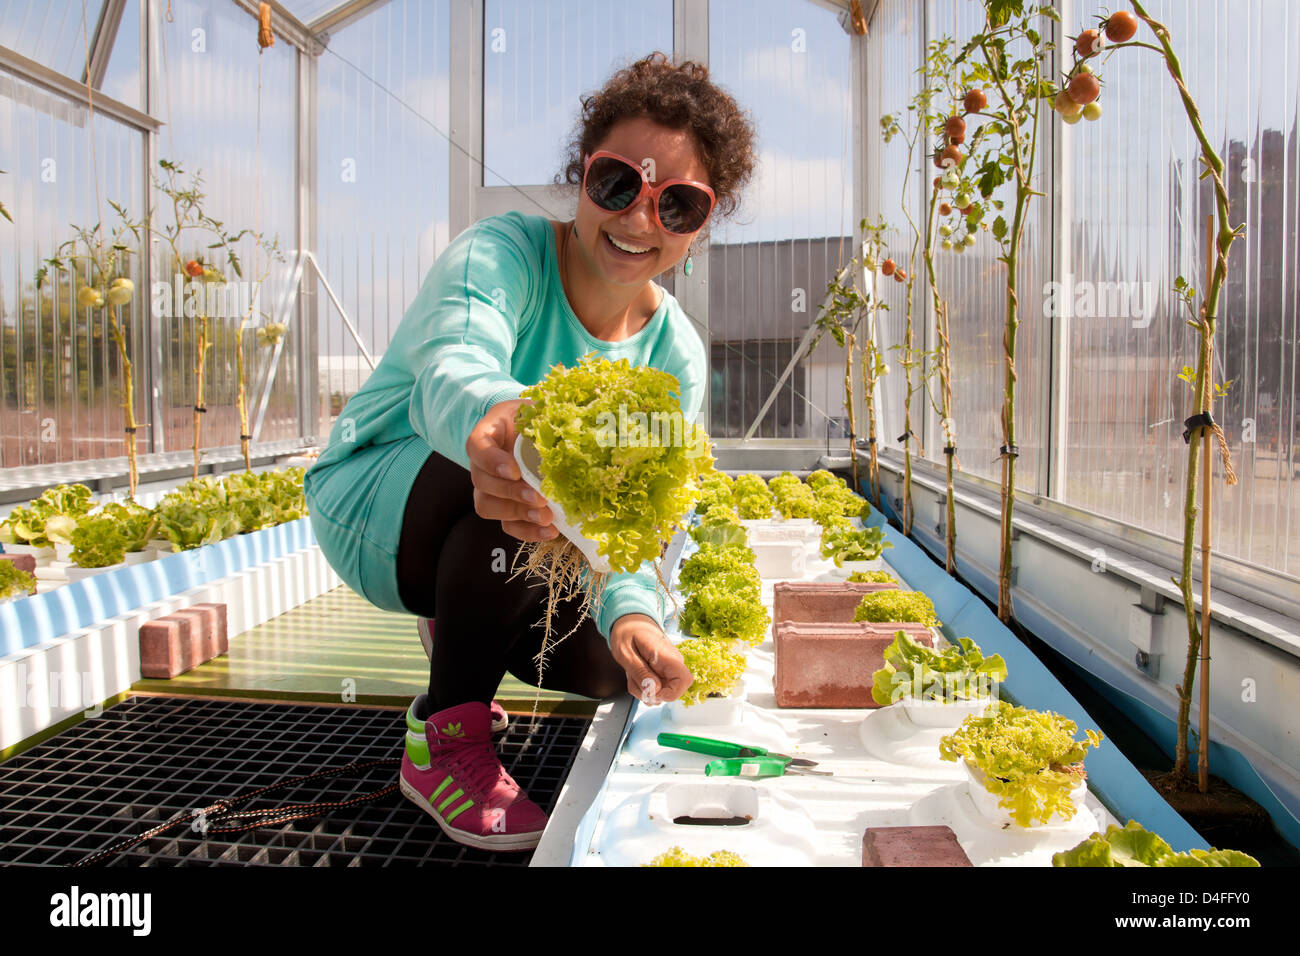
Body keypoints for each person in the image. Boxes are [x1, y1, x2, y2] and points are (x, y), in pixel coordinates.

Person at [304, 52, 756, 852]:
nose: (640, 219)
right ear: (580, 177)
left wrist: (634, 618)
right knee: (526, 474)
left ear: (703, 223)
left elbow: (638, 532)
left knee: (615, 673)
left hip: (523, 531)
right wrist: (505, 420)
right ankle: (442, 740)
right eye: (619, 183)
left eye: (677, 204)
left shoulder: (678, 355)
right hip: (381, 495)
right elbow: (452, 369)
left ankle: (468, 610)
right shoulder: (502, 254)